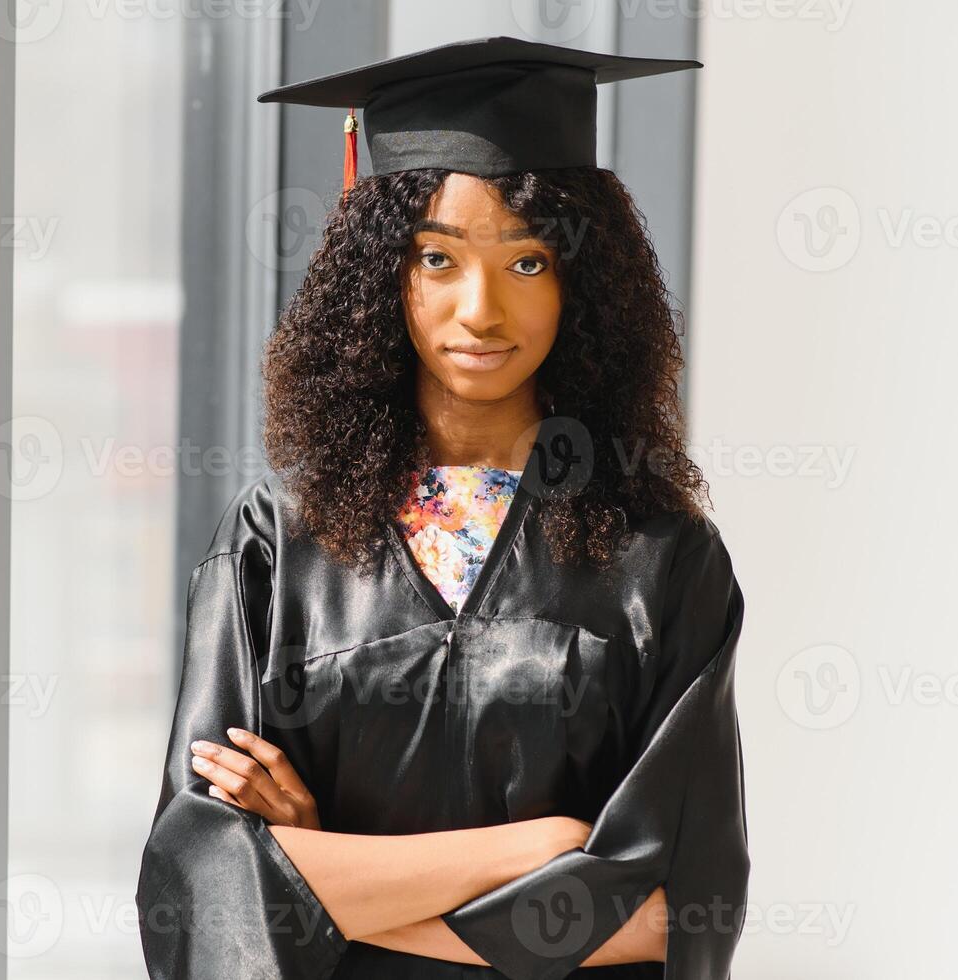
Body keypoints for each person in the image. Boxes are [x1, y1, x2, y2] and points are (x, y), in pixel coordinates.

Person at [136, 36, 748, 980]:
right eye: (437, 257)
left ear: (586, 283)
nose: (482, 310)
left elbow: (676, 912)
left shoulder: (661, 559)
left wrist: (317, 881)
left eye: (529, 263)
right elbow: (198, 886)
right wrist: (537, 846)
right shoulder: (276, 543)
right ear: (381, 273)